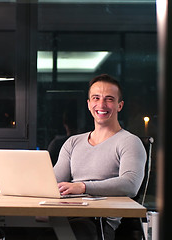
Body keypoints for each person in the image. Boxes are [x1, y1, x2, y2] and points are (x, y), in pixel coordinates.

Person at [53, 74, 147, 240]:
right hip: (67, 212)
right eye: (96, 98)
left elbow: (130, 184)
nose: (101, 104)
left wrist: (83, 187)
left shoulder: (130, 142)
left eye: (109, 99)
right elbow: (53, 181)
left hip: (99, 222)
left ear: (120, 105)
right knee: (18, 227)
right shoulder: (73, 142)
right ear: (89, 104)